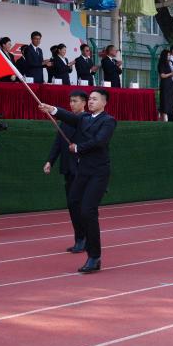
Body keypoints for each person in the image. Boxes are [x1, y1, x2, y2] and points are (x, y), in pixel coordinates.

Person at [40, 90, 117, 274]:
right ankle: (83, 239)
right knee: (74, 202)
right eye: (89, 99)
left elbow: (99, 141)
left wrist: (77, 148)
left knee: (88, 210)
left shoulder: (108, 121)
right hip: (83, 172)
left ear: (104, 103)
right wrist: (52, 109)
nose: (90, 102)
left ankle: (94, 256)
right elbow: (68, 117)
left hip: (98, 172)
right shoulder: (85, 119)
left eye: (94, 99)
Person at [44, 90, 88, 251]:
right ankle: (80, 238)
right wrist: (50, 161)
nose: (72, 104)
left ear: (84, 103)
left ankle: (85, 239)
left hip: (82, 169)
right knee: (72, 205)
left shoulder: (86, 119)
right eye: (70, 101)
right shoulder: (65, 122)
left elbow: (76, 121)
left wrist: (53, 109)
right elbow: (58, 143)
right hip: (68, 169)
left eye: (75, 101)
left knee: (81, 206)